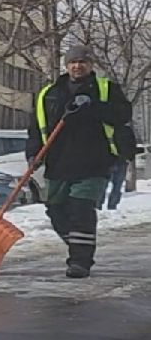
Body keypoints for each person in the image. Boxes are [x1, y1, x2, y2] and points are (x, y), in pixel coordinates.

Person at [28, 46, 135, 276]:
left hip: (94, 162)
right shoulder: (49, 93)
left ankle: (80, 262)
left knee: (81, 209)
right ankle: (79, 246)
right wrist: (33, 154)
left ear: (90, 64)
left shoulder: (105, 89)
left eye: (82, 61)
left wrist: (94, 106)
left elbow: (123, 115)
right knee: (56, 211)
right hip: (58, 163)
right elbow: (36, 128)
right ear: (66, 66)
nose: (77, 66)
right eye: (73, 62)